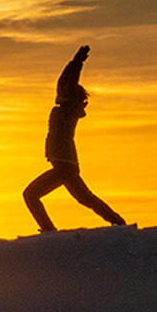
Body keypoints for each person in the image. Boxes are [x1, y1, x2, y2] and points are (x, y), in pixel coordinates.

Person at [23, 45, 127, 232]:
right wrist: (73, 62)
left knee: (31, 195)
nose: (60, 91)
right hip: (65, 164)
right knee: (86, 198)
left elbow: (68, 82)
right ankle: (119, 223)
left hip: (64, 165)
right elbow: (62, 82)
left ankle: (49, 231)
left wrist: (78, 62)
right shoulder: (65, 107)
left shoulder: (69, 108)